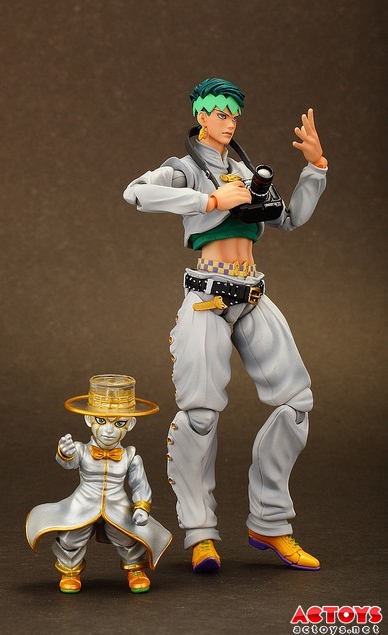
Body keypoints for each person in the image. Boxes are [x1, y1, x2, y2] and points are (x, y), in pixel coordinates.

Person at [123, 78, 328, 573]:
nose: (229, 121)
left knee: (296, 405)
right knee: (199, 415)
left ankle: (270, 522)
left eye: (234, 114)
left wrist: (315, 167)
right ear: (201, 116)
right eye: (220, 113)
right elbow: (135, 193)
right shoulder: (185, 169)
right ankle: (200, 534)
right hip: (207, 298)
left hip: (252, 293)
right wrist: (210, 202)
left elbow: (289, 219)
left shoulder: (245, 169)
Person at [26, 374, 172, 593]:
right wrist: (65, 453)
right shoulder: (82, 450)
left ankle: (135, 570)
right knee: (71, 537)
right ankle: (69, 572)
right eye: (101, 421)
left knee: (128, 537)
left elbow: (140, 485)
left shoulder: (130, 456)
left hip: (117, 504)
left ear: (131, 424)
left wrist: (141, 507)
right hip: (82, 502)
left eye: (119, 423)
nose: (109, 431)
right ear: (88, 419)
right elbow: (69, 462)